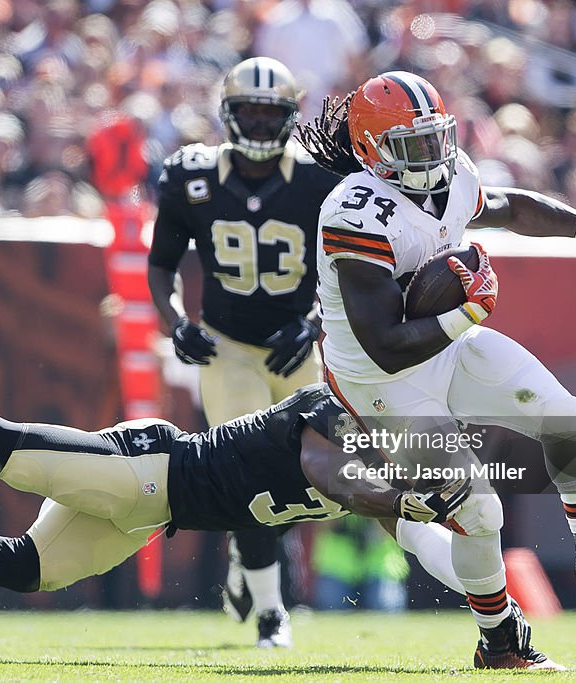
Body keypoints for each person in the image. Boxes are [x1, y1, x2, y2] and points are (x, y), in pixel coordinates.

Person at [0, 340, 563, 670]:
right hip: (153, 468)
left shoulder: (390, 460)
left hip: (155, 512)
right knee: (12, 452)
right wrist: (415, 493)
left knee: (29, 568)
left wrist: (471, 573)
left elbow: (410, 534)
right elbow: (334, 476)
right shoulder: (334, 407)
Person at [296, 71, 576, 661]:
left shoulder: (452, 175)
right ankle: (499, 641)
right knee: (478, 512)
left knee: (564, 415)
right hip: (380, 383)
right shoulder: (353, 212)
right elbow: (383, 345)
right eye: (411, 144)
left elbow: (509, 208)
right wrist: (468, 311)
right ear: (372, 151)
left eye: (434, 138)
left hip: (443, 346)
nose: (432, 155)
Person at [147, 57, 340, 648]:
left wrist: (313, 323)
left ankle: (246, 560)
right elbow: (161, 265)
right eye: (249, 112)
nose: (259, 125)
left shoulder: (319, 180)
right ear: (227, 114)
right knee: (250, 476)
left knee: (324, 479)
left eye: (270, 113)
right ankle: (271, 612)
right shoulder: (192, 176)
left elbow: (346, 272)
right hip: (228, 349)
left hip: (297, 350)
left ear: (290, 116)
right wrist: (175, 321)